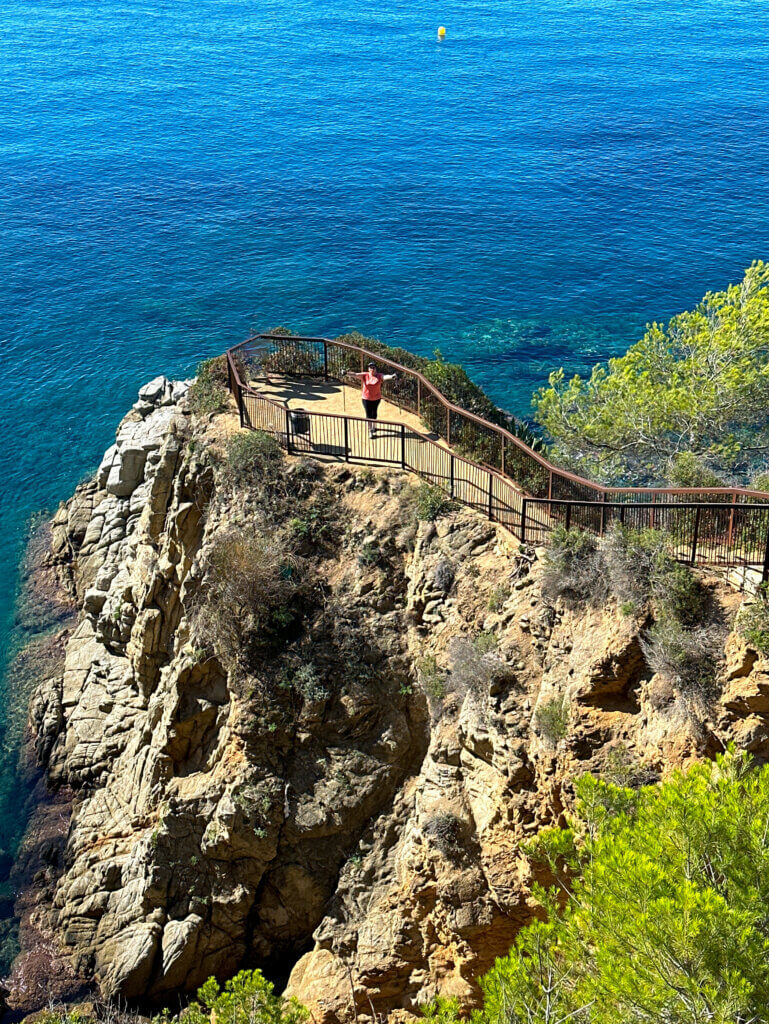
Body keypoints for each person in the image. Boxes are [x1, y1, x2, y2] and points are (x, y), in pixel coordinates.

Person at [350, 361, 397, 438]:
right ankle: (370, 430)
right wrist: (346, 373)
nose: (372, 369)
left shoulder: (379, 376)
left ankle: (374, 427)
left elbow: (385, 377)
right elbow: (355, 374)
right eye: (370, 368)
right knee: (368, 414)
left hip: (376, 398)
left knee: (374, 413)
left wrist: (392, 376)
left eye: (373, 367)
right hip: (366, 399)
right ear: (368, 369)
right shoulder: (365, 375)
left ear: (376, 369)